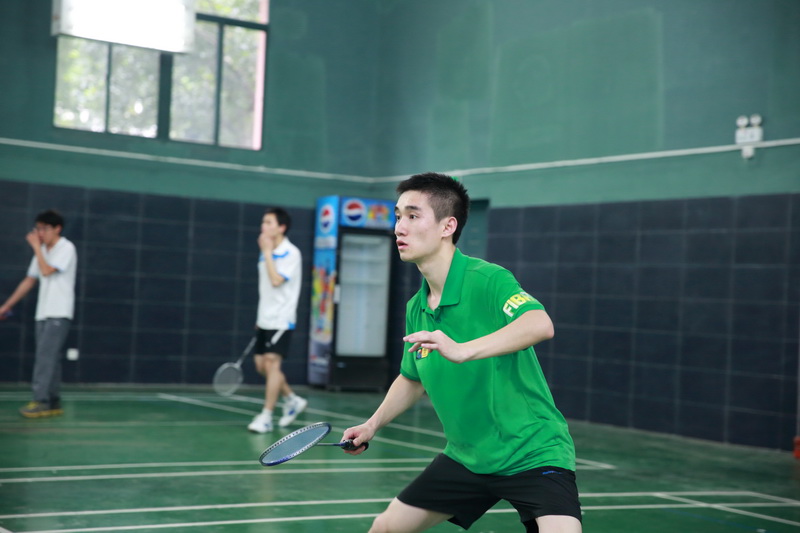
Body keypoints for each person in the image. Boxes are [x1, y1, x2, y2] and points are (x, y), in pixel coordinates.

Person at [342, 173, 582, 533]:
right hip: (467, 457)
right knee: (385, 528)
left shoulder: (488, 279)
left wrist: (462, 350)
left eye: (413, 216)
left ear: (447, 226)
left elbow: (539, 324)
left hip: (532, 452)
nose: (399, 228)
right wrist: (371, 425)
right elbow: (412, 378)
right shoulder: (416, 307)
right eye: (398, 216)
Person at [0, 209, 78, 419]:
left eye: (44, 229)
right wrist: (6, 306)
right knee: (51, 358)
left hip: (59, 312)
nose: (40, 233)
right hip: (43, 313)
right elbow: (30, 280)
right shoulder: (43, 250)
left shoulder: (66, 247)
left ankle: (41, 401)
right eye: (38, 229)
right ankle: (53, 401)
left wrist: (36, 247)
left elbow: (46, 271)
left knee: (45, 357)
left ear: (57, 229)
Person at [247, 207, 308, 433]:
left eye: (268, 223)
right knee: (261, 366)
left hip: (281, 318)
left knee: (273, 365)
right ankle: (292, 399)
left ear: (281, 227)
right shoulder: (268, 251)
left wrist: (267, 251)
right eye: (263, 222)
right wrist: (260, 316)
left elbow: (275, 280)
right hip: (265, 317)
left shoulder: (291, 253)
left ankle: (266, 416)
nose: (263, 227)